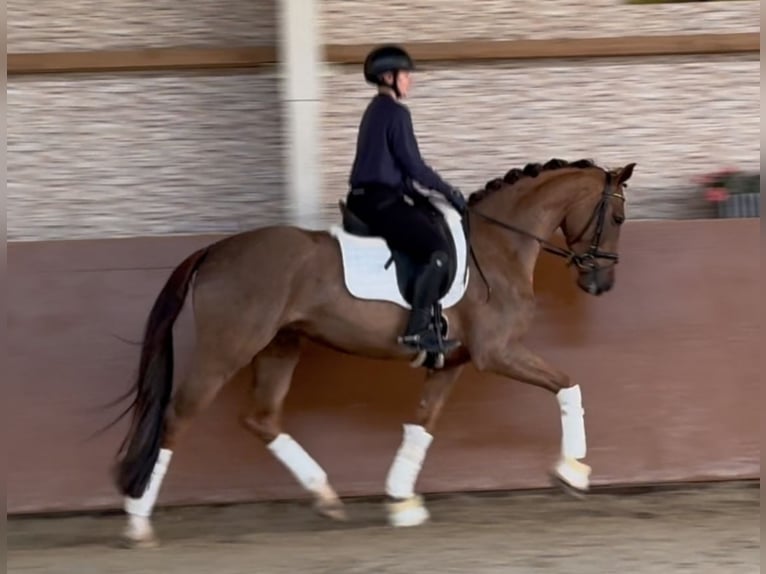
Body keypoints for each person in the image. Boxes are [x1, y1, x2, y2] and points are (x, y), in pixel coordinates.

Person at [345, 44, 468, 360]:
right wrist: (449, 191)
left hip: (369, 198)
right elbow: (414, 166)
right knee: (437, 252)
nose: (410, 80)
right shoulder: (396, 113)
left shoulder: (375, 110)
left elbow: (395, 169)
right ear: (388, 77)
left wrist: (421, 195)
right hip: (379, 201)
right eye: (405, 75)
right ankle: (418, 328)